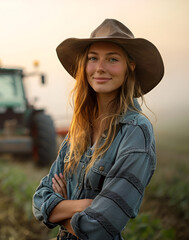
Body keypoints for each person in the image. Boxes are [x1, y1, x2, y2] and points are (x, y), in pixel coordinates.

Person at [32, 19, 164, 240]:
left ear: (129, 67)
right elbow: (39, 200)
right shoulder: (79, 130)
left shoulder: (135, 132)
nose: (100, 68)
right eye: (93, 58)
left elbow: (100, 228)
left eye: (112, 59)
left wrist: (61, 209)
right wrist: (86, 205)